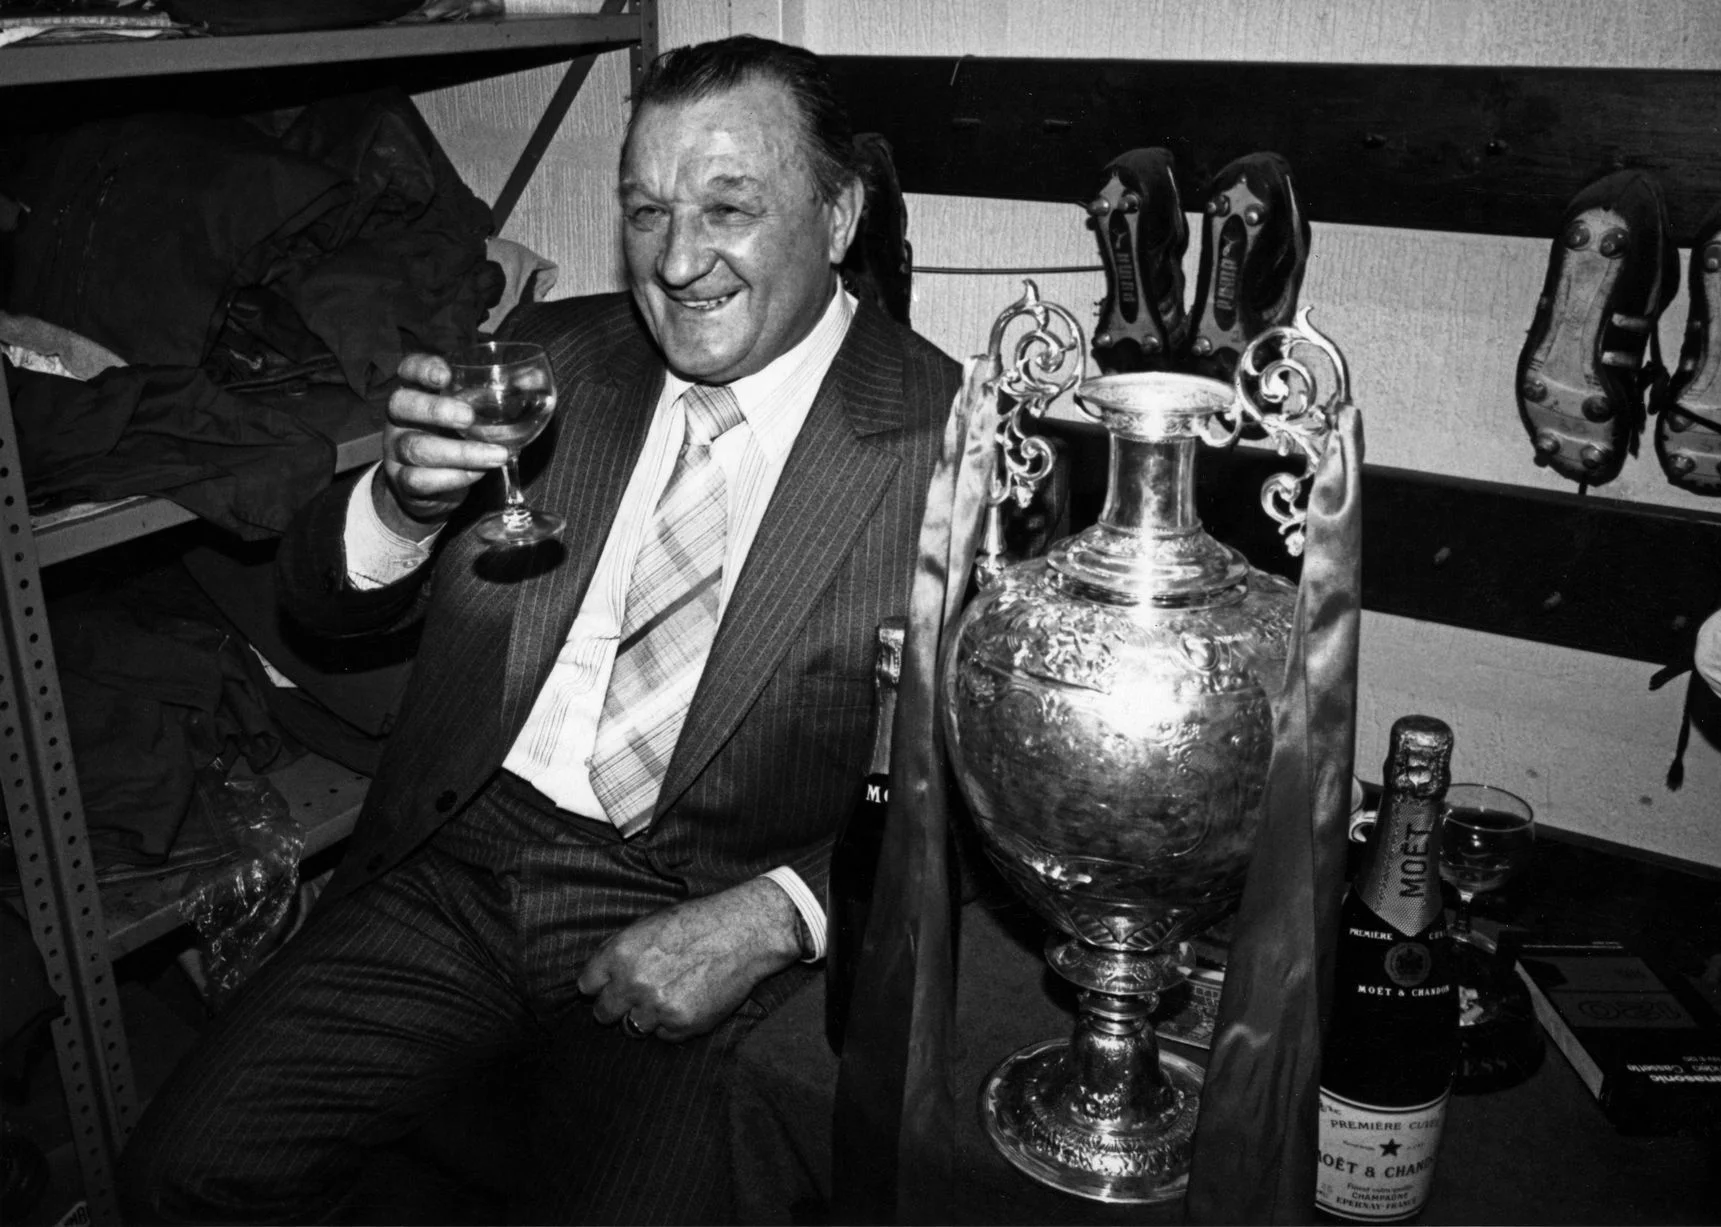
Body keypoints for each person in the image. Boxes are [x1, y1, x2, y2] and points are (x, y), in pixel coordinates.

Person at [120, 35, 960, 1225]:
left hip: (695, 898)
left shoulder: (953, 443)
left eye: (728, 209)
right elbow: (318, 600)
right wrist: (396, 505)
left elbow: (985, 789)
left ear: (837, 217)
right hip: (457, 859)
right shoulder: (551, 360)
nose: (677, 261)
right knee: (180, 1174)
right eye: (646, 211)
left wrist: (780, 914)